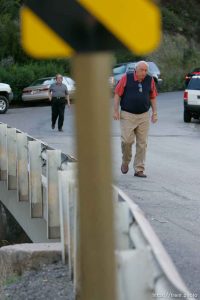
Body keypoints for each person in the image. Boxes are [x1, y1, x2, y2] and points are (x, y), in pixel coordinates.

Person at [113, 61, 158, 178]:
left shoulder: (150, 79)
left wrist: (155, 113)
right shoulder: (126, 78)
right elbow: (117, 94)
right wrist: (115, 110)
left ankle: (139, 169)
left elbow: (152, 96)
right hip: (127, 114)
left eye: (145, 70)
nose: (144, 73)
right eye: (142, 70)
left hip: (144, 115)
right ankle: (125, 161)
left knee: (142, 143)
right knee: (127, 141)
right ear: (136, 70)